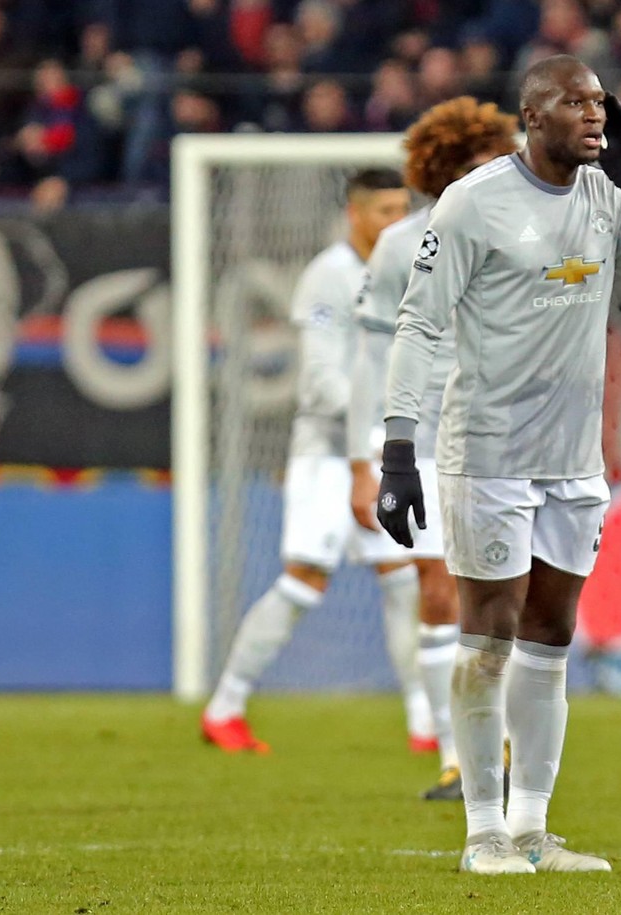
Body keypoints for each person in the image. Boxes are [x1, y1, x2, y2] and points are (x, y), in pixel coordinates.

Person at [375, 55, 621, 874]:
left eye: (599, 101)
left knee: (550, 637)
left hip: (574, 461)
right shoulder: (472, 202)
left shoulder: (605, 194)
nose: (594, 114)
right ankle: (483, 831)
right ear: (531, 116)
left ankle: (530, 828)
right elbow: (419, 325)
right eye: (574, 101)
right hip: (489, 454)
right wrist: (398, 447)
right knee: (488, 638)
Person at [200, 170, 427, 755]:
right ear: (355, 214)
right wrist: (377, 427)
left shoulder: (409, 271)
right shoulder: (330, 275)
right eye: (383, 211)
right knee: (305, 578)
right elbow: (323, 376)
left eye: (402, 210)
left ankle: (425, 723)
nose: (396, 222)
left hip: (386, 451)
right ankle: (225, 706)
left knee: (405, 579)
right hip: (327, 453)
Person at [347, 96, 520, 802]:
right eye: (471, 166)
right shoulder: (400, 245)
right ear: (440, 170)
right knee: (438, 590)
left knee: (508, 599)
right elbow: (371, 356)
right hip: (421, 440)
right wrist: (365, 460)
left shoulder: (530, 232)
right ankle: (456, 756)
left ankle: (507, 743)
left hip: (506, 437)